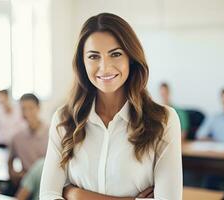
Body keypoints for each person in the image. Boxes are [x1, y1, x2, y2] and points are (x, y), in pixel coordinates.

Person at [40, 13, 182, 200]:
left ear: (131, 58)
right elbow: (48, 195)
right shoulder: (64, 119)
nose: (105, 67)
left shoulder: (163, 120)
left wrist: (76, 195)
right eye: (93, 56)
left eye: (115, 54)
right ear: (82, 63)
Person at [7, 94, 48, 197]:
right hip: (25, 185)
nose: (27, 112)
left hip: (45, 185)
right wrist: (14, 174)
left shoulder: (52, 133)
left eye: (31, 108)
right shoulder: (17, 138)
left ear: (38, 108)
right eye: (23, 109)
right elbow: (10, 160)